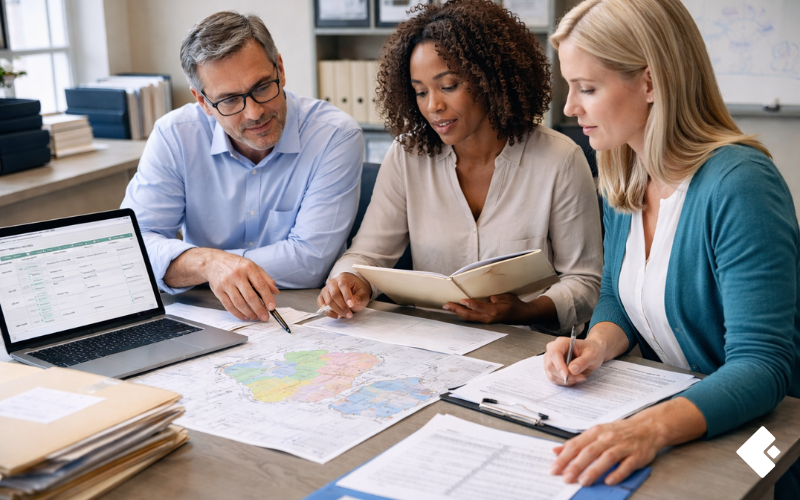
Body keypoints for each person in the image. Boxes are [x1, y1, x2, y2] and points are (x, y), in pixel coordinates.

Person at [542, 0, 800, 496]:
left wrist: (648, 429)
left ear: (651, 83)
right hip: (692, 409)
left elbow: (764, 366)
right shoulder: (625, 172)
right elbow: (621, 297)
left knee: (724, 488)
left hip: (778, 431)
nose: (571, 108)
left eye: (587, 88)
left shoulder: (741, 185)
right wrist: (597, 345)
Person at [317, 0, 603, 333]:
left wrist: (523, 310)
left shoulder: (560, 160)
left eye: (448, 86)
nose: (433, 105)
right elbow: (366, 254)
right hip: (432, 343)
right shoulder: (407, 155)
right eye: (420, 92)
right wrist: (349, 280)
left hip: (529, 349)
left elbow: (585, 283)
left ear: (491, 78)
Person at [121, 12, 363, 323]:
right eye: (230, 100)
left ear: (280, 69)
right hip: (204, 311)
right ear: (203, 101)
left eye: (262, 87)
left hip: (300, 314)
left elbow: (310, 262)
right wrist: (208, 264)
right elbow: (132, 247)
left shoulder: (335, 136)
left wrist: (210, 264)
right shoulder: (175, 135)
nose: (254, 113)